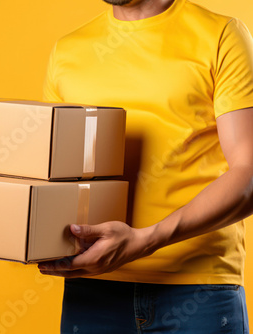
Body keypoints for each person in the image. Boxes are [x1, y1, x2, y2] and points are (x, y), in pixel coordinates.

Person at [37, 0, 253, 332]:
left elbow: (248, 173)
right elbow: (53, 175)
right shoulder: (68, 51)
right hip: (94, 289)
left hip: (198, 288)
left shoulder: (222, 35)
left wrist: (148, 239)